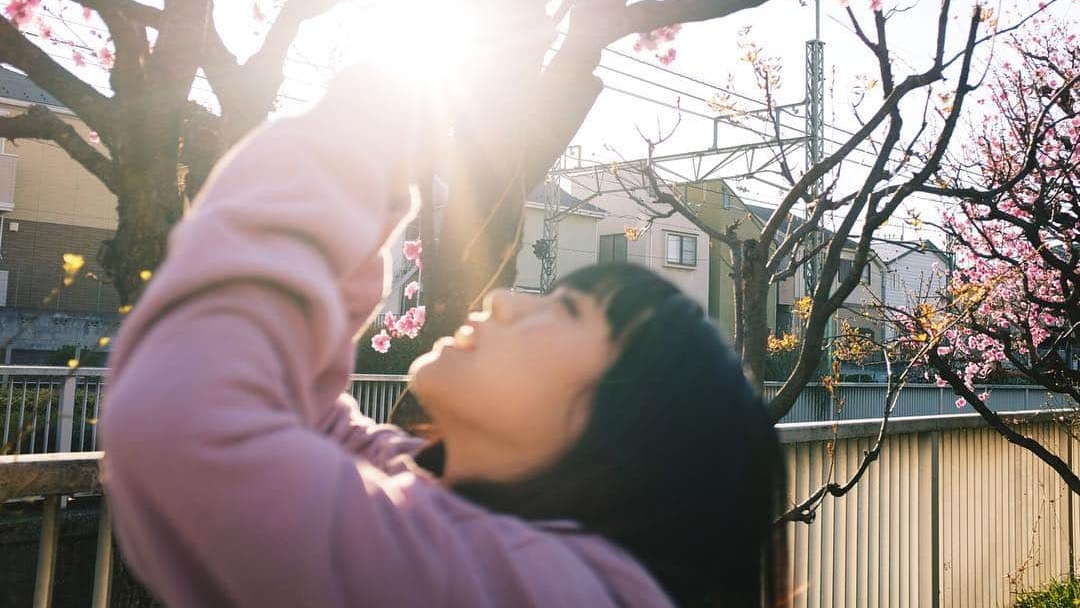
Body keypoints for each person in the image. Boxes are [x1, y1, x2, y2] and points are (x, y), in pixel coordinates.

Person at [102, 70, 788, 607]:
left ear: (630, 435)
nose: (508, 302)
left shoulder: (548, 593)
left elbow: (188, 425)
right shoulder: (469, 523)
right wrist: (371, 180)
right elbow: (300, 420)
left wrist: (346, 143)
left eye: (568, 310)